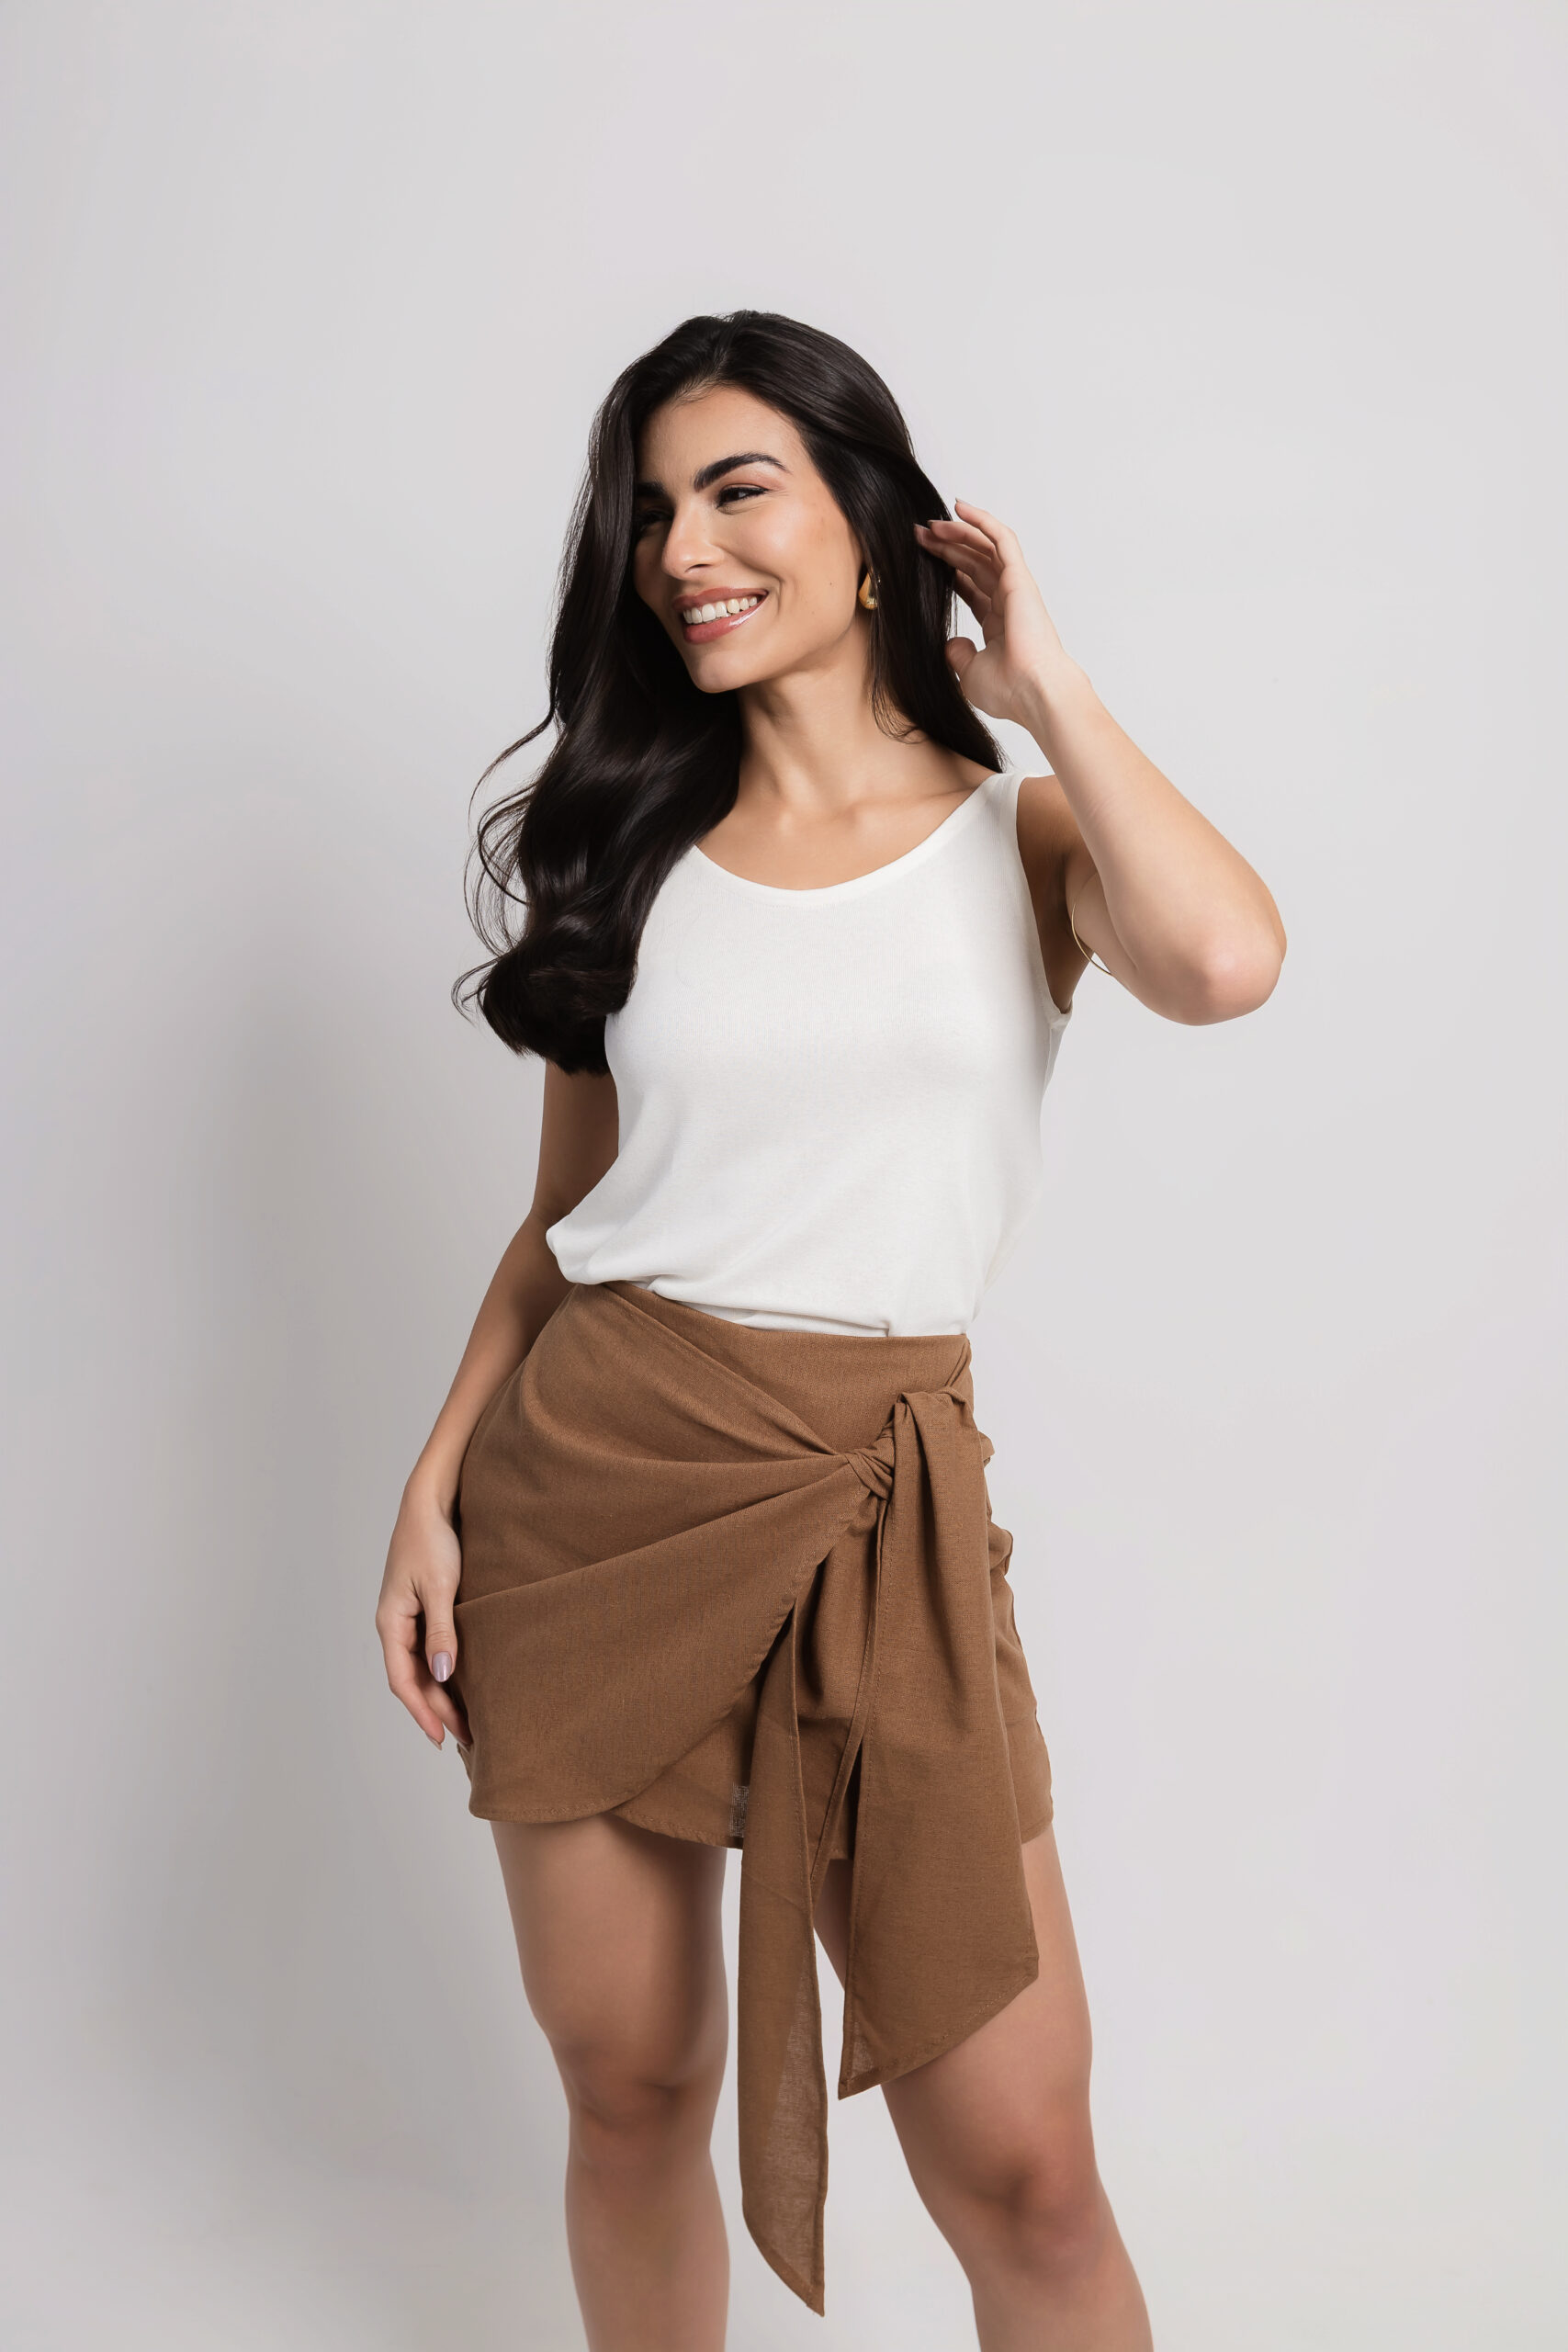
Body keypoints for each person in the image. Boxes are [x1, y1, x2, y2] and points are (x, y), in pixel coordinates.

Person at [375, 309, 1285, 2352]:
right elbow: (563, 1228)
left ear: (872, 529)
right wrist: (431, 1489)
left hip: (884, 1516)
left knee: (1027, 2172)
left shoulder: (1020, 839)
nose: (680, 548)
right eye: (649, 511)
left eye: (736, 489)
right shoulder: (625, 849)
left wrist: (1046, 689)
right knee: (630, 2094)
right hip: (589, 1505)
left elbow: (1225, 960)